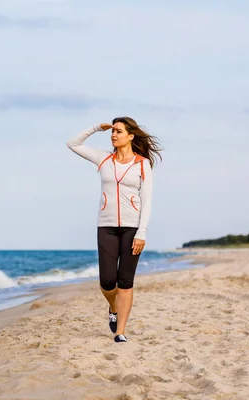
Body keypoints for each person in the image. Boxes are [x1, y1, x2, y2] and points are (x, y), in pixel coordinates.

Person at [66, 117, 162, 343]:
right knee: (108, 281)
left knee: (125, 281)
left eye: (119, 131)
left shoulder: (142, 164)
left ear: (130, 136)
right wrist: (95, 128)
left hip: (132, 228)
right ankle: (113, 307)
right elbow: (73, 143)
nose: (114, 135)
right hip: (106, 226)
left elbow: (147, 201)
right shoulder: (103, 159)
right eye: (113, 131)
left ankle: (120, 331)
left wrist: (142, 232)